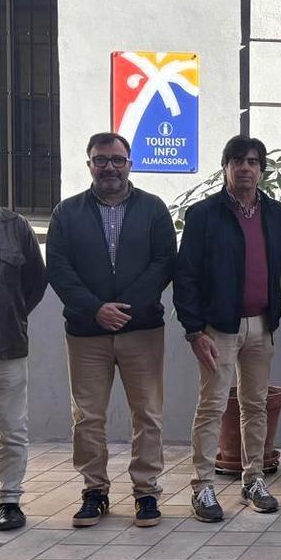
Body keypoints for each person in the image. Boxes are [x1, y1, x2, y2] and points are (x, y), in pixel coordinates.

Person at [45, 133, 175, 528]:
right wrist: (96, 309)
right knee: (87, 416)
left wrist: (124, 309)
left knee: (147, 413)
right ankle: (94, 491)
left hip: (142, 330)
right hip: (86, 331)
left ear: (129, 163)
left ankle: (146, 492)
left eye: (117, 160)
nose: (109, 167)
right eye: (101, 160)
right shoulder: (67, 213)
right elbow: (58, 268)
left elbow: (164, 261)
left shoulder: (153, 209)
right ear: (89, 165)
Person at [174, 135, 281, 522]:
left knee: (255, 405)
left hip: (261, 324)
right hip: (217, 328)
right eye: (237, 161)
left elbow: (278, 263)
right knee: (212, 405)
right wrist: (194, 331)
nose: (245, 168)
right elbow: (185, 275)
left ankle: (253, 479)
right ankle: (203, 486)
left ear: (261, 170)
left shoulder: (275, 213)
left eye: (252, 162)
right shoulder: (204, 214)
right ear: (225, 167)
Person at [0, 160, 45, 531]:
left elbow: (35, 282)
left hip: (5, 347)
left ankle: (9, 500)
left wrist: (11, 318)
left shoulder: (14, 226)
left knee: (12, 430)